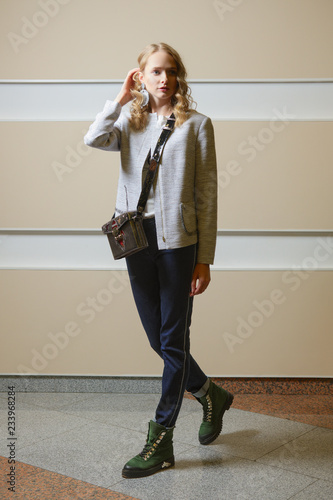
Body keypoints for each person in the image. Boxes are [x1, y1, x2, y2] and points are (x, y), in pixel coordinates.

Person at [84, 42, 233, 479]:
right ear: (141, 77)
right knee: (159, 338)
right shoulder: (129, 123)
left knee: (172, 340)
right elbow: (92, 138)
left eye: (170, 71)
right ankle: (210, 394)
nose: (163, 79)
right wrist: (119, 99)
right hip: (135, 238)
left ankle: (162, 437)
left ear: (179, 76)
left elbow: (207, 196)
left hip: (178, 241)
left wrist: (204, 259)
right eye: (154, 72)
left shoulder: (198, 126)